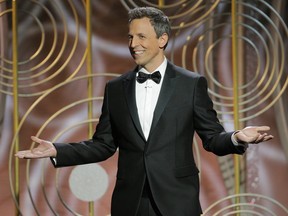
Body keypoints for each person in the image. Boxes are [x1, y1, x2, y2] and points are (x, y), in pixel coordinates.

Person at [15, 6, 273, 216]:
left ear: (162, 39)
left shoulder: (191, 84)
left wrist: (237, 137)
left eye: (141, 37)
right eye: (130, 37)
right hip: (130, 203)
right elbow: (103, 144)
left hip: (177, 201)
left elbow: (212, 138)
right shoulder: (116, 88)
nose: (133, 44)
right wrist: (57, 149)